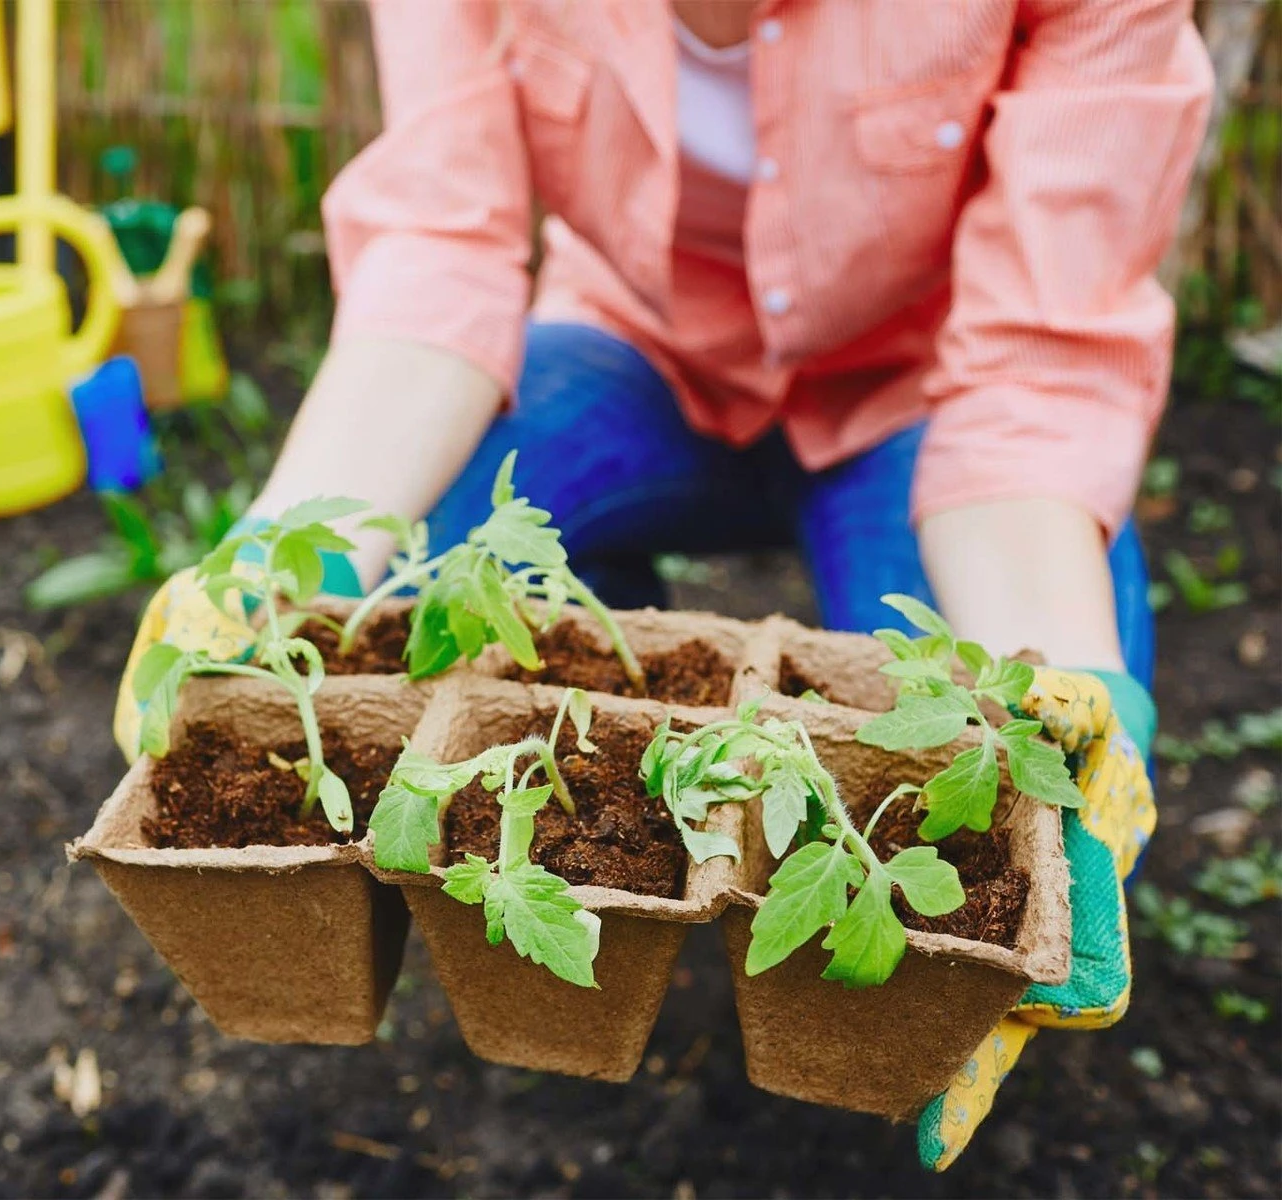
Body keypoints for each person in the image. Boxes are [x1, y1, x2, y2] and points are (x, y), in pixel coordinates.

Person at [115, 0, 1211, 1169]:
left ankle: (878, 1002)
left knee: (983, 753)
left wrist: (1061, 666)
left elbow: (1039, 365)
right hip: (637, 341)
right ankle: (608, 792)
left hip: (927, 390)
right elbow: (438, 244)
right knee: (444, 564)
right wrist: (282, 559)